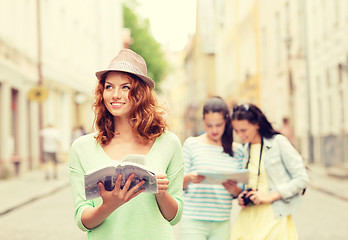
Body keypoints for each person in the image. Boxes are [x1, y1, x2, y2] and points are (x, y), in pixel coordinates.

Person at [68, 49, 184, 240]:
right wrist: (109, 205)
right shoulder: (82, 148)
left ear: (140, 93)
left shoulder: (168, 143)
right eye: (109, 87)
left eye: (125, 87)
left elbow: (174, 217)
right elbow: (82, 219)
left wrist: (161, 193)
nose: (115, 94)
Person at [230, 103, 309, 240]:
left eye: (243, 130)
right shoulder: (245, 149)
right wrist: (243, 195)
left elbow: (302, 179)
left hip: (273, 216)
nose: (239, 135)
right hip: (248, 217)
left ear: (257, 125)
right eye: (236, 131)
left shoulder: (278, 143)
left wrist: (269, 196)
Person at [178, 96, 244, 240]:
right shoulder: (191, 144)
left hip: (222, 220)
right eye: (209, 125)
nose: (214, 130)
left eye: (219, 125)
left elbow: (241, 189)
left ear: (227, 121)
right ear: (203, 121)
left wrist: (236, 190)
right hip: (193, 221)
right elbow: (177, 183)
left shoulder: (238, 150)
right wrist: (190, 178)